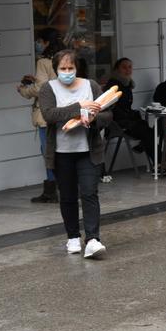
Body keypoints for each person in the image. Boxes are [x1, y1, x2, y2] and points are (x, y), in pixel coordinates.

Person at [39, 50, 112, 259]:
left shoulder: (91, 85)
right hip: (61, 153)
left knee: (89, 193)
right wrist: (79, 107)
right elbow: (49, 114)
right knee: (68, 195)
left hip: (87, 150)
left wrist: (94, 118)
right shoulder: (48, 88)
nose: (68, 72)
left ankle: (92, 239)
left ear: (76, 68)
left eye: (71, 68)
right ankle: (72, 236)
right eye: (63, 69)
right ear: (56, 70)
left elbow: (107, 113)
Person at [17, 28, 59, 203]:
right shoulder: (66, 58)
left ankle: (51, 191)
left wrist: (24, 89)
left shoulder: (44, 62)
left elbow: (42, 88)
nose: (38, 45)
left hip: (46, 114)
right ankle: (69, 187)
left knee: (48, 152)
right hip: (64, 111)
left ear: (46, 42)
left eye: (39, 41)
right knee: (63, 150)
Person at [106, 57, 156, 161]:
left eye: (130, 67)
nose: (128, 70)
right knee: (147, 131)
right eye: (124, 67)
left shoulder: (126, 84)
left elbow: (126, 107)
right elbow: (112, 108)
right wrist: (129, 115)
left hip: (127, 119)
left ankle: (153, 157)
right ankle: (159, 162)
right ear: (117, 70)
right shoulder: (113, 85)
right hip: (116, 122)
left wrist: (133, 113)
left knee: (150, 129)